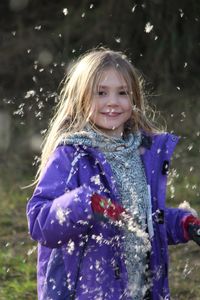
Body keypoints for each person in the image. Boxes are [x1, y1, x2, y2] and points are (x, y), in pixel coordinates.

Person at [26, 48, 200, 300]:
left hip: (139, 290)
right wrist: (84, 204)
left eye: (122, 93)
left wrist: (180, 223)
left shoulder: (140, 153)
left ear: (135, 100)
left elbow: (140, 220)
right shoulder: (71, 155)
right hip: (88, 292)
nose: (112, 102)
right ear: (80, 98)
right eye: (101, 93)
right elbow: (39, 221)